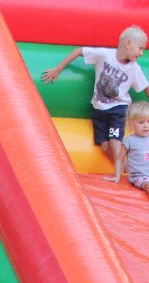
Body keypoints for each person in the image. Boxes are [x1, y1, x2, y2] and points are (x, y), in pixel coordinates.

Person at [42, 27, 148, 163]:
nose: (141, 53)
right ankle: (125, 168)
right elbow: (77, 51)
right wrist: (58, 69)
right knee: (105, 146)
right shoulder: (105, 55)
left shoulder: (134, 68)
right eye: (140, 48)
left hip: (118, 108)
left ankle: (124, 171)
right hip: (99, 108)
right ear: (128, 43)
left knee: (115, 141)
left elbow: (146, 87)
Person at [105, 99, 149, 192]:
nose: (146, 125)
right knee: (147, 185)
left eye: (148, 121)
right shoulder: (129, 140)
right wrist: (117, 176)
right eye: (141, 122)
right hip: (140, 177)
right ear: (131, 123)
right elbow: (119, 159)